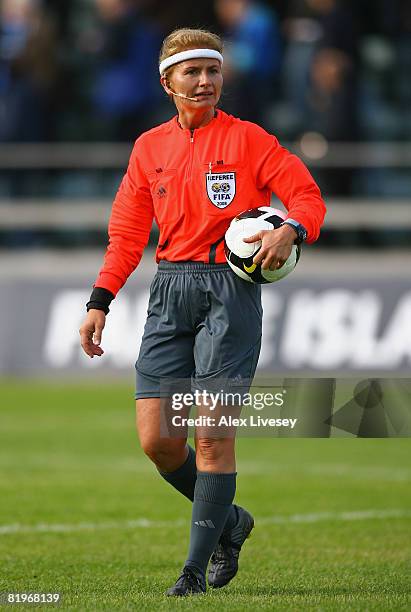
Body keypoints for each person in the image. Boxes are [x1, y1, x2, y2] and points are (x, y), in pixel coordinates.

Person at [79, 28, 326, 596]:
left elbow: (308, 196)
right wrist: (100, 301)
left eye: (213, 71)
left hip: (229, 294)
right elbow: (126, 234)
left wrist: (290, 228)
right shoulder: (148, 148)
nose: (205, 81)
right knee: (158, 440)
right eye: (192, 72)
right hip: (170, 289)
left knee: (213, 434)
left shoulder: (251, 140)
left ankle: (193, 571)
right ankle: (232, 521)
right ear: (167, 81)